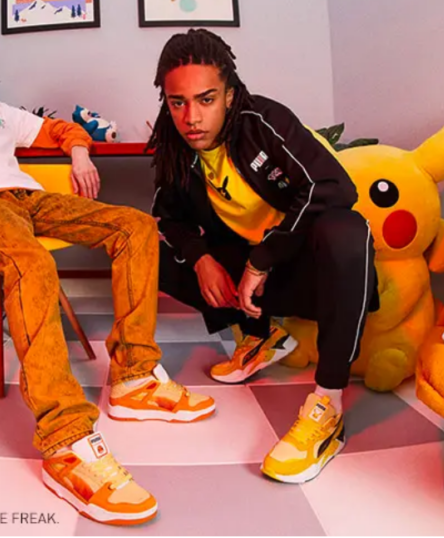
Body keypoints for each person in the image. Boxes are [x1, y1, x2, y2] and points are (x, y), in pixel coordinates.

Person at [0, 15, 214, 526]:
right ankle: (65, 441)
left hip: (29, 197)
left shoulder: (1, 113)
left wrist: (79, 153)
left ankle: (134, 376)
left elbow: (62, 129)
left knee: (136, 226)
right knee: (31, 262)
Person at [147, 29, 379, 483]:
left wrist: (264, 258)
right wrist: (200, 258)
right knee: (150, 250)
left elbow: (334, 187)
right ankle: (260, 337)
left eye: (206, 99)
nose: (191, 118)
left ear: (230, 96)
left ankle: (328, 405)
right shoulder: (173, 142)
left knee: (347, 230)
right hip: (248, 281)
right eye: (178, 103)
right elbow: (167, 217)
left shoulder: (264, 120)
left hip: (301, 270)